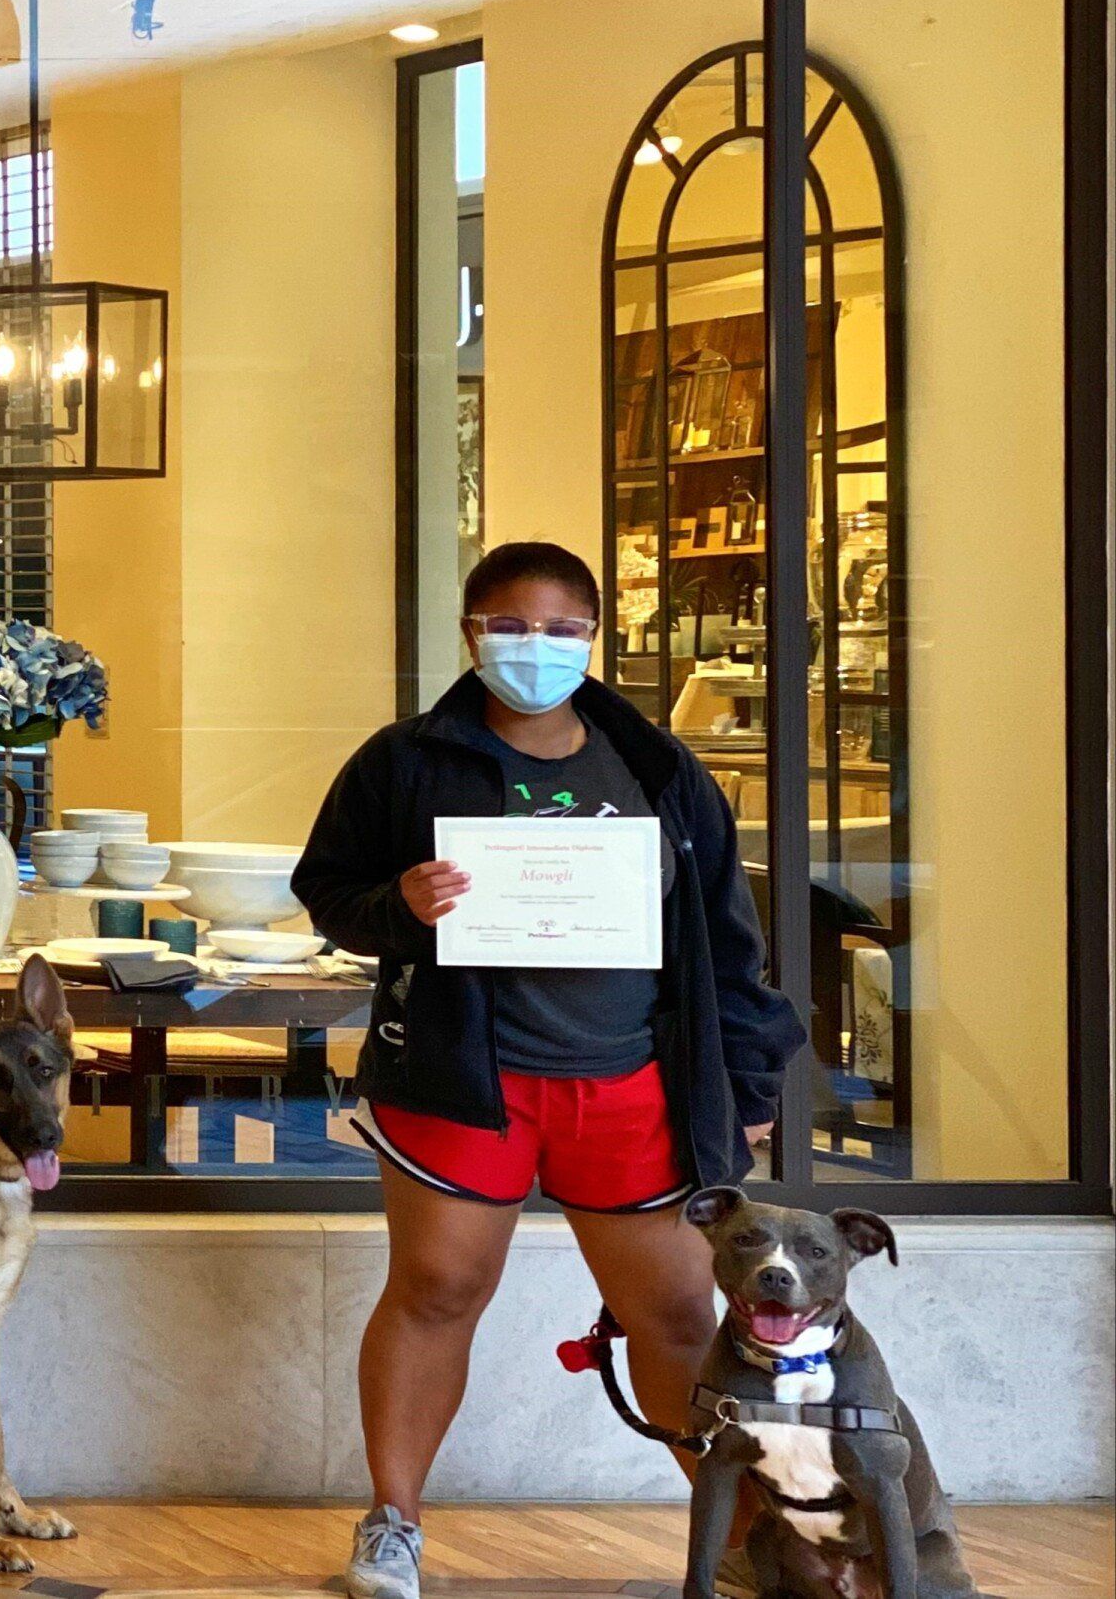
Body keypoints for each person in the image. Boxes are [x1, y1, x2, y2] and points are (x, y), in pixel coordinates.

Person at [292, 541, 805, 1599]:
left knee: (672, 1315)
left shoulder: (660, 767)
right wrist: (405, 906)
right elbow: (329, 891)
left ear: (594, 636)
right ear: (471, 631)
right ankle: (393, 1522)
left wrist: (747, 1091)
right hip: (463, 1072)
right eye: (512, 625)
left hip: (630, 1081)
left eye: (564, 627)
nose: (538, 645)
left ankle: (746, 1536)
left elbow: (727, 942)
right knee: (438, 1285)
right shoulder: (404, 761)